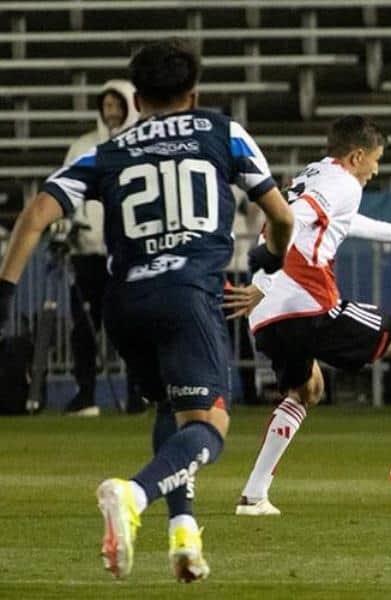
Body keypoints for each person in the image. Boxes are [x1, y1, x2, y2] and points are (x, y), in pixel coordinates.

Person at [0, 39, 294, 581]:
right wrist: (266, 264)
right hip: (189, 296)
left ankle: (184, 535)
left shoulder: (109, 148)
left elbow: (37, 212)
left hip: (126, 300)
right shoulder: (220, 131)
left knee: (173, 409)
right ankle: (132, 495)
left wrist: (2, 293)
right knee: (213, 426)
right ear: (194, 91)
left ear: (136, 98)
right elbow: (279, 214)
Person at [224, 115, 391, 517]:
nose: (376, 170)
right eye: (376, 160)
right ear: (356, 156)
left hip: (268, 317)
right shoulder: (343, 183)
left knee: (306, 390)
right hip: (308, 305)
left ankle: (254, 494)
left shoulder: (316, 174)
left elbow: (337, 221)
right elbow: (294, 221)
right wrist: (264, 277)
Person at [62, 80, 140, 416]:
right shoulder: (83, 147)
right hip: (88, 252)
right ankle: (86, 393)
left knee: (131, 327)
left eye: (116, 106)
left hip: (126, 254)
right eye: (106, 106)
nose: (111, 113)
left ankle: (139, 393)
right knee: (84, 327)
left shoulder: (139, 145)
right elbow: (66, 193)